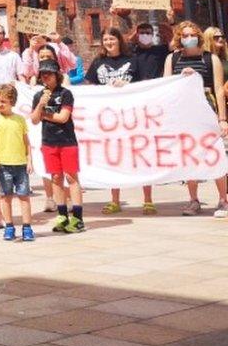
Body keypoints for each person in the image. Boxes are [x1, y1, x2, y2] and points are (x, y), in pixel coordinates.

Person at [84, 28, 154, 215]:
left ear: (119, 40)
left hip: (131, 115)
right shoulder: (98, 62)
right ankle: (114, 200)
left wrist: (127, 86)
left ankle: (147, 200)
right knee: (113, 158)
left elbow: (145, 85)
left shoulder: (133, 60)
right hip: (108, 118)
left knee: (140, 156)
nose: (109, 42)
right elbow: (89, 87)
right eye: (105, 39)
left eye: (112, 38)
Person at [164, 21, 228, 217]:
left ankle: (223, 199)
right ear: (179, 38)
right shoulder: (172, 59)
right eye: (184, 35)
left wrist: (222, 118)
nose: (188, 38)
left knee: (215, 153)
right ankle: (193, 199)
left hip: (206, 110)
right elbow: (166, 85)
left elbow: (218, 88)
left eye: (192, 34)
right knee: (189, 155)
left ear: (198, 36)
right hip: (183, 113)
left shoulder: (210, 59)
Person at [30, 60, 84, 233]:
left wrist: (45, 114)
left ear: (56, 75)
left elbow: (63, 118)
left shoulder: (66, 93)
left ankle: (77, 217)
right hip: (48, 141)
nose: (45, 77)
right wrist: (40, 105)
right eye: (42, 74)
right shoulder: (39, 96)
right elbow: (34, 119)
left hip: (67, 141)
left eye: (49, 74)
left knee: (71, 177)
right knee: (55, 177)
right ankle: (61, 215)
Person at [0, 84, 35, 242]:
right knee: (5, 197)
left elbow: (26, 142)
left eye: (3, 101)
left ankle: (27, 227)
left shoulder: (20, 120)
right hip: (2, 165)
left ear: (12, 102)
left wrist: (30, 161)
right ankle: (9, 226)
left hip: (20, 164)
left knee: (24, 196)